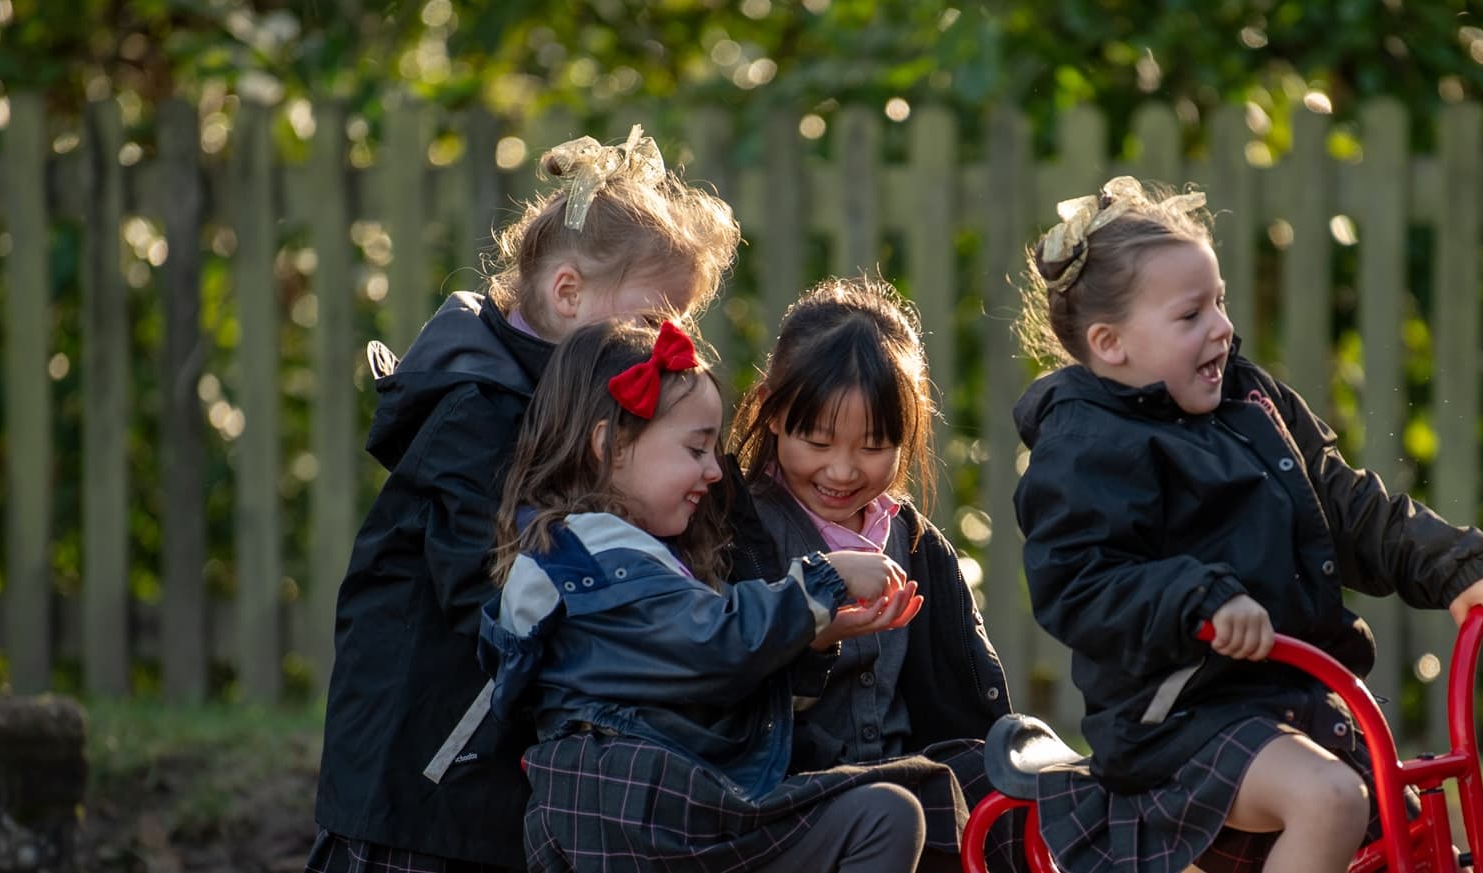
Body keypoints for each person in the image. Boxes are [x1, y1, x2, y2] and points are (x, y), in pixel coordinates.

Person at [1010, 177, 1483, 873]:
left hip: (1293, 701)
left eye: (1218, 301)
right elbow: (1078, 580)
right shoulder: (1088, 441)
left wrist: (1454, 566)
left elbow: (1341, 504)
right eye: (1190, 314)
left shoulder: (1251, 402)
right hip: (1179, 722)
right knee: (1333, 801)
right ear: (1110, 343)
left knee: (1414, 847)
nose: (1221, 326)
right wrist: (1200, 597)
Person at [308, 127, 741, 872]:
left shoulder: (584, 404)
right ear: (567, 292)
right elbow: (494, 578)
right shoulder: (475, 412)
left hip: (494, 790)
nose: (666, 340)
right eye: (649, 317)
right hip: (421, 785)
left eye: (680, 322)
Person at [480, 317, 964, 873]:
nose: (715, 471)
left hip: (651, 806)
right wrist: (823, 580)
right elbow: (713, 642)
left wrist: (812, 641)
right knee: (889, 813)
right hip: (633, 807)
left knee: (891, 809)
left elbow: (714, 684)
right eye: (696, 450)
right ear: (610, 446)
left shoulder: (631, 555)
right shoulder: (596, 560)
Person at [724, 277, 1015, 873]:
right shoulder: (740, 535)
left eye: (875, 445)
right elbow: (721, 688)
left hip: (906, 775)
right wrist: (813, 638)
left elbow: (962, 693)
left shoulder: (913, 541)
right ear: (771, 413)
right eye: (818, 440)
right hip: (788, 796)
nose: (842, 470)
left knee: (1020, 792)